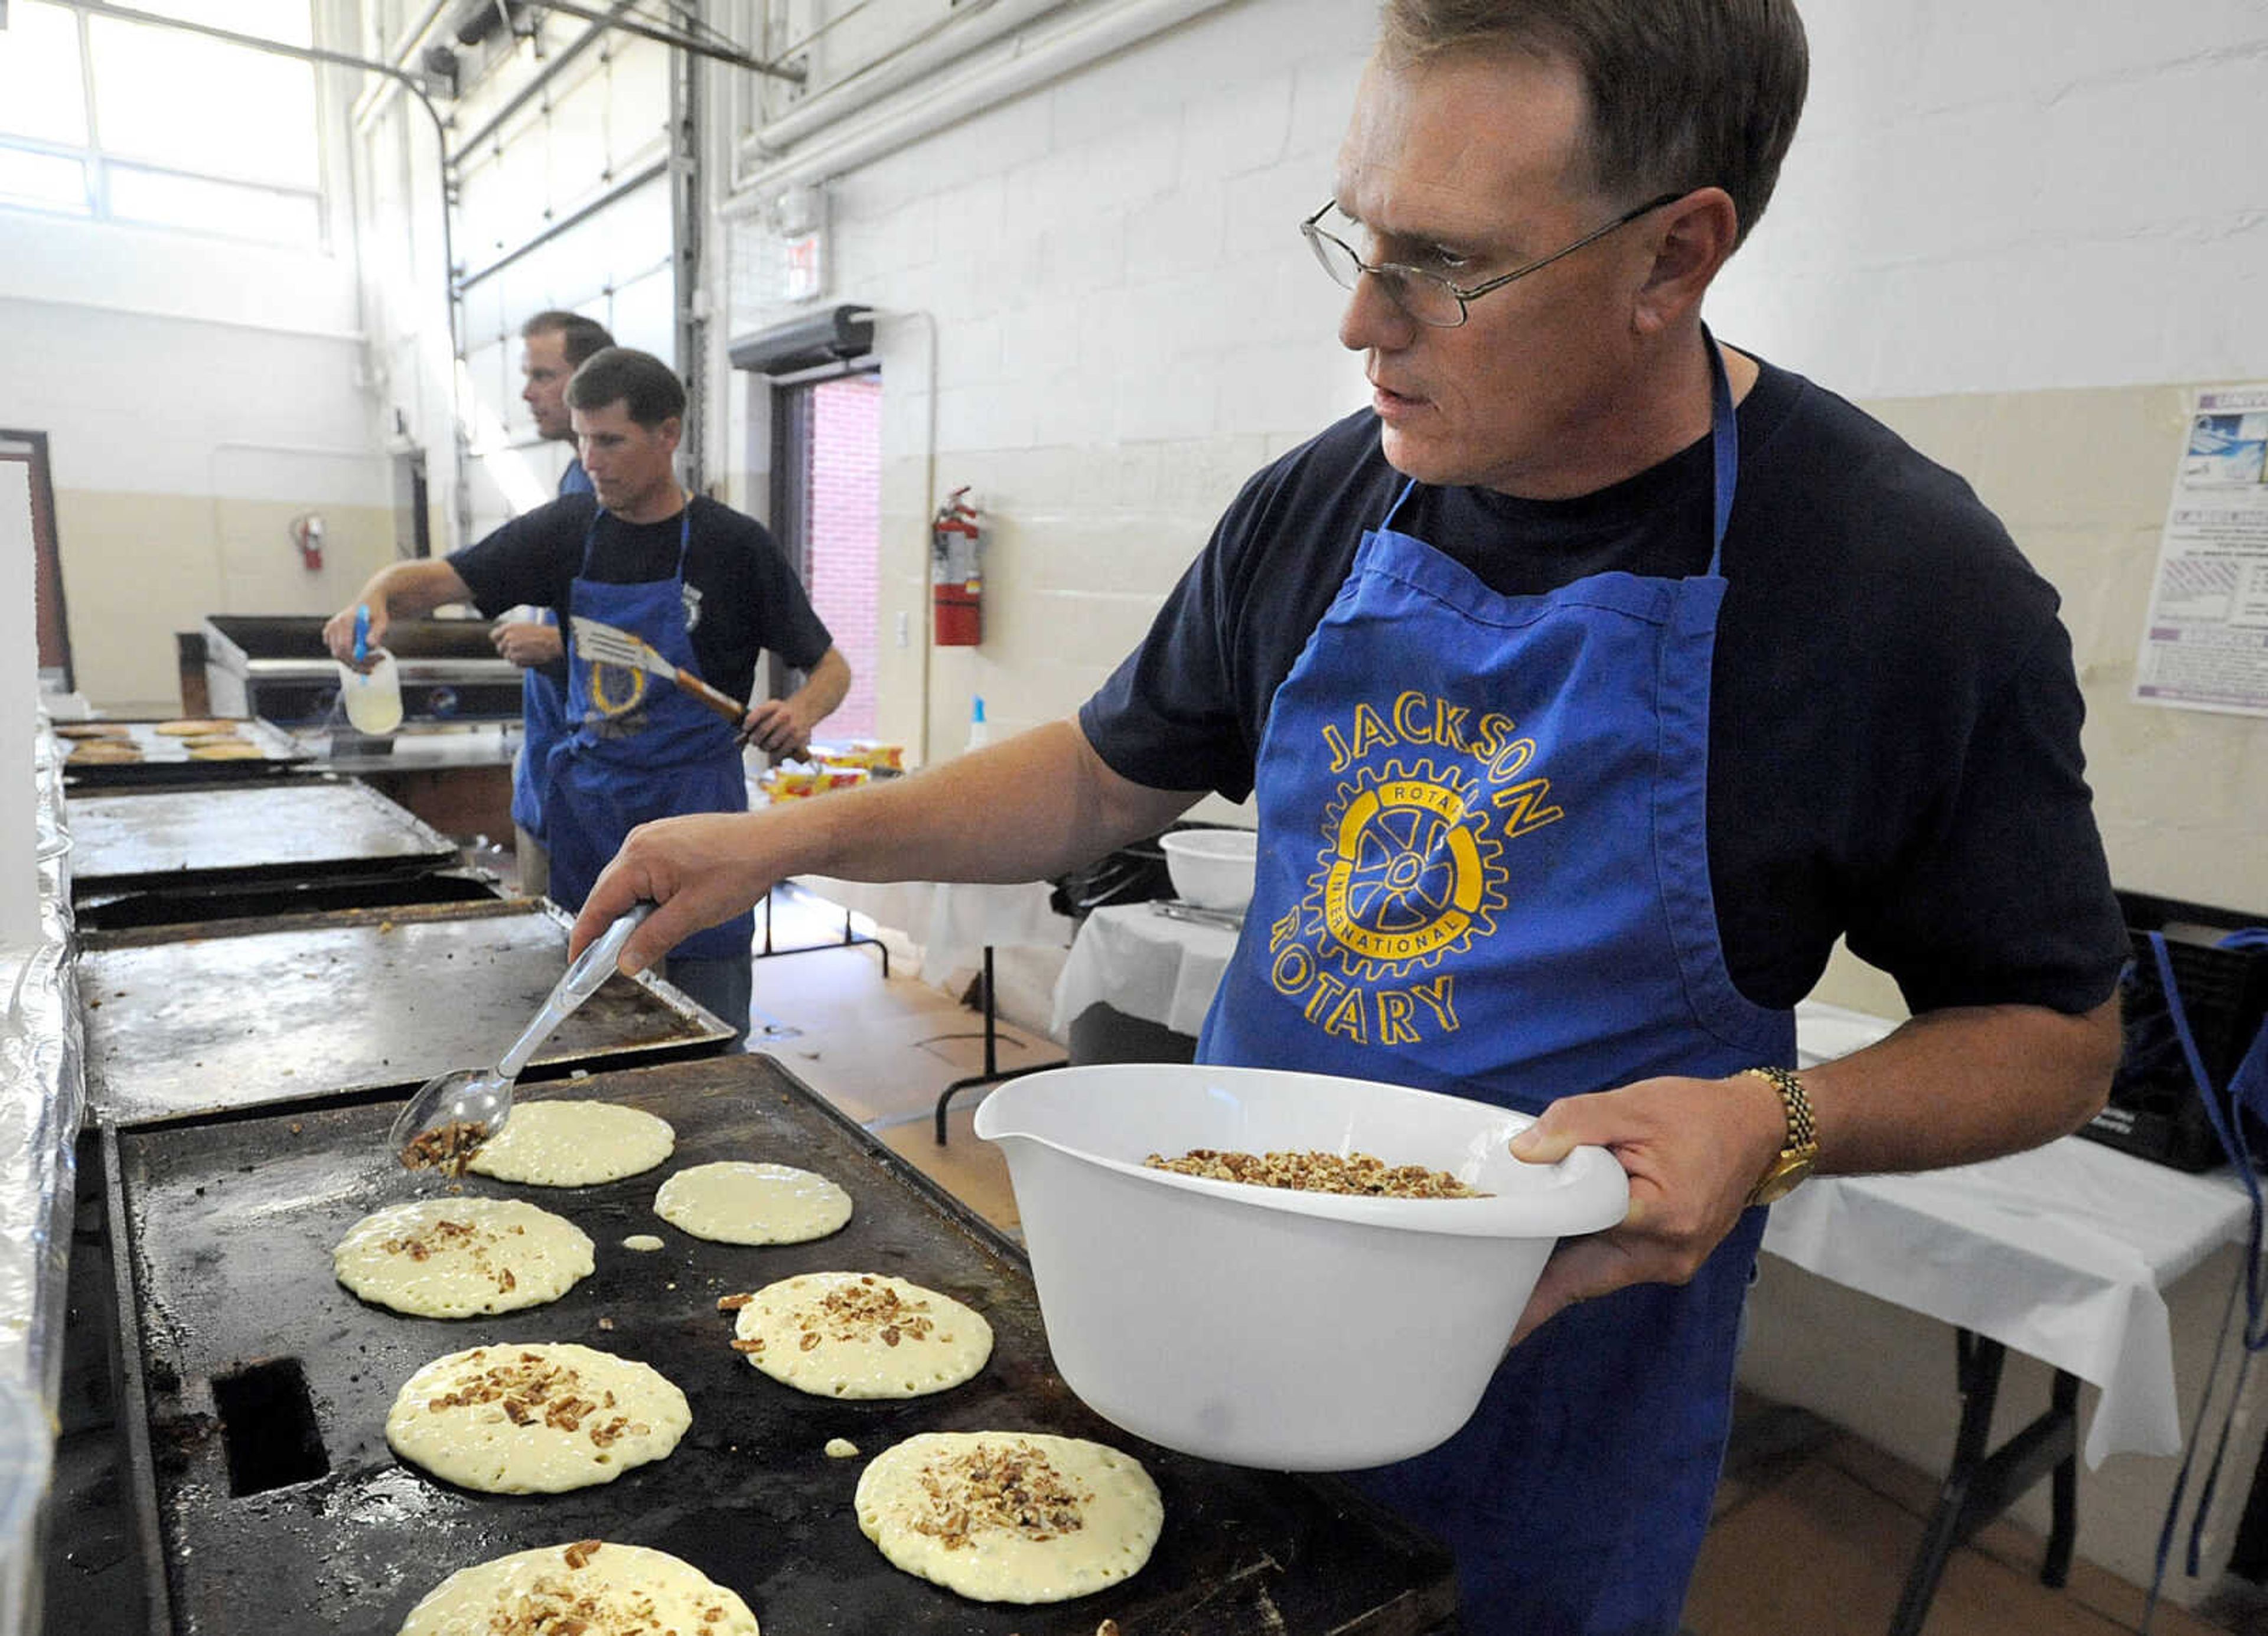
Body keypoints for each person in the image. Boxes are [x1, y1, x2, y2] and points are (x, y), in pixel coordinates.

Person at [568, 3, 2129, 1628]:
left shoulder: (1898, 585)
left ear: (1674, 256)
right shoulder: (1329, 496)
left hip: (1548, 1411)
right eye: (1359, 238)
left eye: (1445, 264)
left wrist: (1781, 1125)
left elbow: (2054, 1035)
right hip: (1211, 1346)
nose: (1362, 324)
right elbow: (1111, 768)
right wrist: (790, 835)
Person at [328, 347, 850, 1045]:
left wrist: (801, 710)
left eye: (611, 440)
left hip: (698, 808)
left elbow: (831, 669)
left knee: (713, 1025)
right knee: (592, 1023)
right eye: (582, 440)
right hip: (593, 810)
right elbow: (431, 580)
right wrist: (375, 597)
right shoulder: (567, 531)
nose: (592, 459)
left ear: (668, 435)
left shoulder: (734, 547)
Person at [497, 309, 617, 897]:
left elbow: (660, 653)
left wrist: (560, 644)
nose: (528, 392)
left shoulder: (623, 505)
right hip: (549, 776)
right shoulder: (576, 482)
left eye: (543, 375)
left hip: (593, 799)